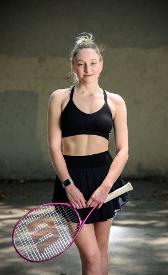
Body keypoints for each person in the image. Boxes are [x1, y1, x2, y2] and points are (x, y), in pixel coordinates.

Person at [47, 32, 129, 275]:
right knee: (91, 256)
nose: (87, 68)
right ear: (73, 65)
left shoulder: (115, 101)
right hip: (70, 179)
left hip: (104, 179)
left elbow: (123, 150)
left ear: (101, 65)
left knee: (101, 251)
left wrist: (105, 187)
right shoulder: (59, 98)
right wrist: (68, 185)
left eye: (93, 63)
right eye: (81, 63)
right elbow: (53, 146)